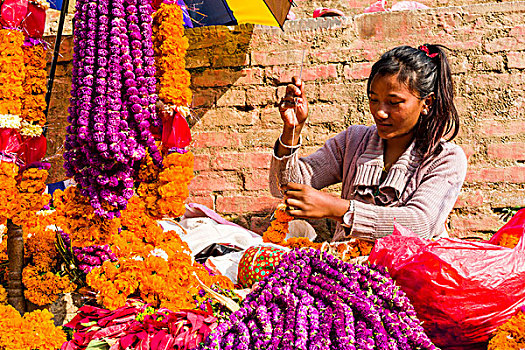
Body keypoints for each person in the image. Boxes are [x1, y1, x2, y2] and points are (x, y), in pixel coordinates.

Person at [269, 44, 467, 241]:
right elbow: (284, 188)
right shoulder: (353, 141)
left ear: (427, 103)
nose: (380, 112)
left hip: (408, 270)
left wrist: (338, 209)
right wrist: (291, 131)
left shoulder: (445, 158)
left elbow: (420, 224)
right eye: (373, 100)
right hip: (346, 268)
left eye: (394, 102)